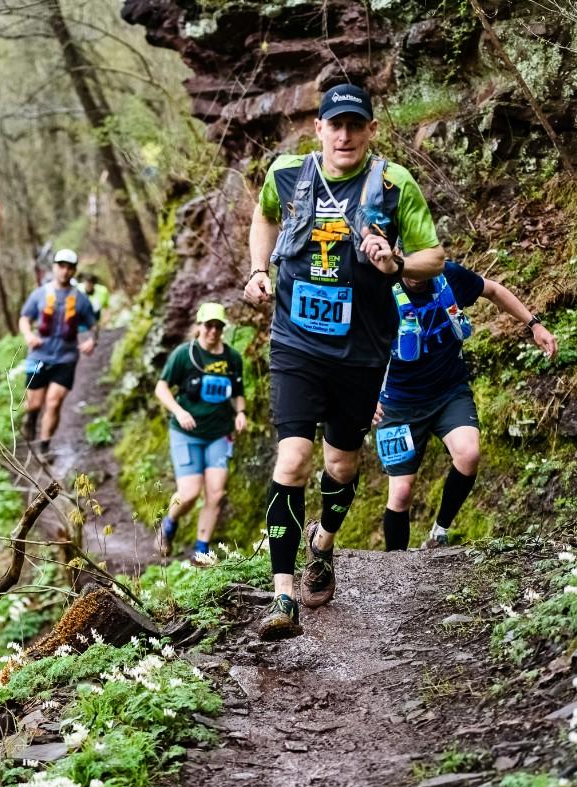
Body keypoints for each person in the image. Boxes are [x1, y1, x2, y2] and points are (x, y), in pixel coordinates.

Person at [244, 82, 446, 640]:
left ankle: (324, 542)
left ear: (370, 131)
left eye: (356, 125)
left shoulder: (392, 183)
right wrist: (260, 269)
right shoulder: (285, 174)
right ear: (319, 129)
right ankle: (282, 596)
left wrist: (397, 259)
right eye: (336, 124)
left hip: (360, 352)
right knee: (292, 462)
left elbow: (435, 257)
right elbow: (263, 216)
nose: (345, 135)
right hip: (295, 343)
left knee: (342, 468)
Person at [374, 261, 557, 549]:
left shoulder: (449, 276)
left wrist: (534, 324)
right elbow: (351, 342)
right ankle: (395, 570)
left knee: (469, 454)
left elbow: (494, 290)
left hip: (449, 392)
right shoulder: (378, 289)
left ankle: (439, 532)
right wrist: (363, 396)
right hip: (399, 405)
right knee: (401, 493)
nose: (419, 276)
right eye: (412, 267)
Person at [154, 302, 247, 564]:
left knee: (216, 493)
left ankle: (201, 550)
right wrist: (179, 411)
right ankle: (169, 524)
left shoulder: (232, 358)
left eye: (219, 326)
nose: (213, 331)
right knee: (189, 493)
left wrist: (241, 413)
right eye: (209, 325)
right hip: (187, 433)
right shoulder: (184, 355)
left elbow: (238, 394)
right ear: (199, 326)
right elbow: (161, 388)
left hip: (219, 433)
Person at [18, 249, 98, 455]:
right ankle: (31, 418)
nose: (65, 271)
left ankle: (45, 447)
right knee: (34, 403)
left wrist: (92, 341)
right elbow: (24, 318)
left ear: (74, 271)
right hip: (38, 355)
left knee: (53, 403)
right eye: (61, 266)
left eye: (70, 268)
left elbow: (93, 325)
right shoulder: (39, 294)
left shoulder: (80, 299)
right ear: (54, 267)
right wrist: (28, 335)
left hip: (66, 358)